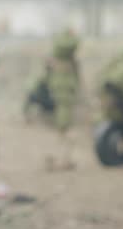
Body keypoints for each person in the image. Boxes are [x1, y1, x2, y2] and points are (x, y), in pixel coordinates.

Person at [24, 29, 81, 170]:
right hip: (62, 95)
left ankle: (63, 159)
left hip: (62, 95)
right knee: (63, 128)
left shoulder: (62, 57)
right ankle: (62, 159)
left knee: (63, 128)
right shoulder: (64, 56)